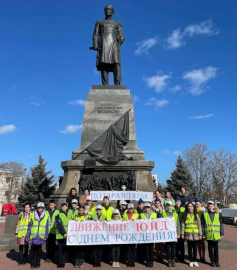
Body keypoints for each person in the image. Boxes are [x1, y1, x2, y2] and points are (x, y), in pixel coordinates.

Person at [91, 5, 125, 85]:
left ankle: (117, 83)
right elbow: (95, 34)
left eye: (109, 9)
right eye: (106, 9)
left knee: (116, 63)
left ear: (113, 12)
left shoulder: (117, 23)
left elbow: (122, 36)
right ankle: (105, 84)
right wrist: (95, 44)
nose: (107, 10)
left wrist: (120, 40)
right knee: (104, 63)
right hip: (103, 45)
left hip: (114, 45)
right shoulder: (100, 22)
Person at [26, 202, 49, 269]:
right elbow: (30, 226)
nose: (40, 209)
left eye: (41, 208)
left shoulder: (46, 215)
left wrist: (46, 235)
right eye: (39, 207)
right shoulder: (32, 215)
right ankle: (33, 262)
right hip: (34, 235)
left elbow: (47, 227)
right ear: (37, 208)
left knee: (39, 249)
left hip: (41, 235)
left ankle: (38, 261)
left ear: (43, 208)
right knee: (33, 249)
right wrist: (28, 235)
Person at [201, 201, 224, 268]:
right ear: (207, 207)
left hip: (216, 234)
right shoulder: (204, 214)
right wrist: (203, 233)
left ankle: (217, 261)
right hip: (209, 234)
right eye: (209, 206)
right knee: (210, 248)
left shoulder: (218, 214)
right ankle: (212, 261)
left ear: (214, 206)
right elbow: (202, 225)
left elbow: (221, 224)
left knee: (216, 248)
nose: (210, 207)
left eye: (211, 206)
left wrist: (222, 233)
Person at [159, 201, 180, 267]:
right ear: (166, 206)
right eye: (167, 206)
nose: (169, 207)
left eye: (170, 206)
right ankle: (169, 260)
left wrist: (178, 233)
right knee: (168, 248)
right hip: (167, 234)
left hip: (174, 233)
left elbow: (178, 224)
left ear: (172, 206)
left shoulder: (175, 214)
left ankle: (173, 259)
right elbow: (161, 223)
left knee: (173, 248)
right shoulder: (163, 213)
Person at [181, 202, 202, 267]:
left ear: (193, 207)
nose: (190, 208)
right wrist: (182, 233)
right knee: (189, 248)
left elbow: (199, 225)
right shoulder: (185, 215)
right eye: (188, 206)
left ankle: (195, 260)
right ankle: (191, 261)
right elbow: (183, 224)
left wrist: (200, 234)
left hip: (195, 234)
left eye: (191, 206)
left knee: (195, 248)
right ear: (187, 207)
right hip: (188, 234)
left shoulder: (196, 215)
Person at [140, 203, 157, 267]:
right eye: (146, 208)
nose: (147, 209)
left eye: (148, 207)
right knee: (146, 248)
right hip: (145, 234)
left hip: (151, 233)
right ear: (144, 208)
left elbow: (158, 222)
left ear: (150, 208)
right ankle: (147, 261)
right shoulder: (141, 215)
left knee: (151, 248)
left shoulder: (154, 214)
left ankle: (151, 261)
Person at [55, 202, 72, 268]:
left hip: (68, 235)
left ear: (67, 207)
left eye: (65, 206)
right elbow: (59, 224)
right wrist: (64, 232)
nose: (64, 207)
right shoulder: (58, 214)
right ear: (61, 207)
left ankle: (63, 261)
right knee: (60, 249)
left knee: (65, 249)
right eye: (63, 206)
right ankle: (60, 262)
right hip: (61, 235)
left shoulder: (70, 214)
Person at [174, 197, 185, 263]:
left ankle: (182, 257)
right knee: (176, 244)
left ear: (180, 203)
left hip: (181, 228)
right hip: (174, 229)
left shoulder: (183, 209)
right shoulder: (172, 208)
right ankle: (176, 257)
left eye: (179, 201)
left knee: (181, 244)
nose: (177, 203)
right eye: (176, 201)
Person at [195, 198, 206, 263]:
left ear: (200, 204)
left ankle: (203, 256)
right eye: (196, 204)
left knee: (202, 243)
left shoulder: (202, 210)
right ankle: (200, 256)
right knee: (198, 243)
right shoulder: (194, 210)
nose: (197, 205)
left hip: (202, 227)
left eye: (198, 204)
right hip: (196, 227)